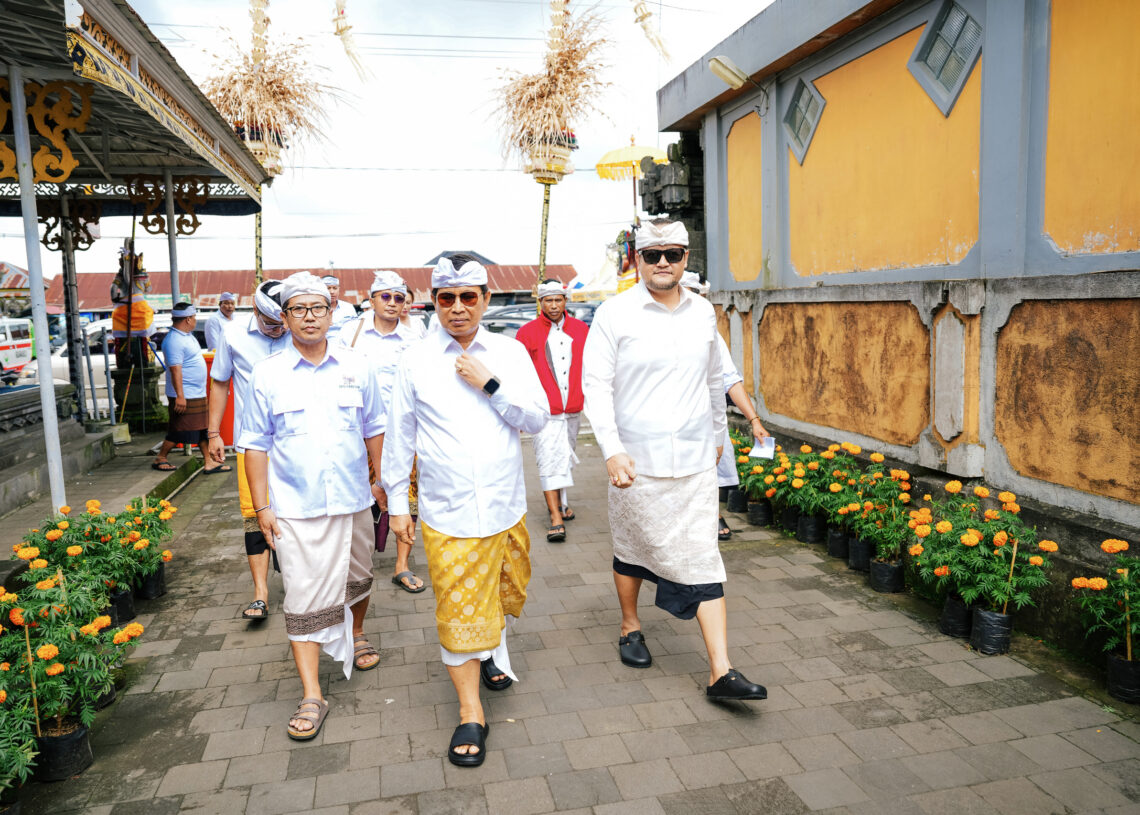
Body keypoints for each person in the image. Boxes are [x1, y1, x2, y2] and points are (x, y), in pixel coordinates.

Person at [582, 217, 767, 702]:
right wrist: (611, 450)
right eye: (652, 255)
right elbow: (595, 388)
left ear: (686, 259)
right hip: (635, 465)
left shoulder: (702, 313)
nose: (663, 263)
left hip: (694, 462)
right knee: (633, 549)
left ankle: (720, 672)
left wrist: (718, 436)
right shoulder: (614, 314)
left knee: (703, 556)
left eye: (673, 255)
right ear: (638, 260)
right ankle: (629, 625)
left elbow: (712, 380)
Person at [382, 255, 548, 767]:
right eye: (447, 298)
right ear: (433, 301)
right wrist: (397, 504)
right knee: (458, 608)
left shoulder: (509, 352)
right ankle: (470, 711)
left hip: (505, 506)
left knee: (503, 589)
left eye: (468, 297)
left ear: (486, 299)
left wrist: (490, 384)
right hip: (447, 512)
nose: (457, 308)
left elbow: (538, 418)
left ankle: (495, 653)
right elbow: (399, 436)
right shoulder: (413, 359)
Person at [240, 271, 385, 741]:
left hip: (353, 500)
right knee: (302, 598)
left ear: (331, 313)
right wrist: (261, 507)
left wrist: (379, 479)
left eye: (317, 308)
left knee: (358, 575)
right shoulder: (267, 375)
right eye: (298, 309)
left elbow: (375, 425)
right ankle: (312, 694)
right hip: (295, 509)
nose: (309, 317)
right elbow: (255, 445)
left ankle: (357, 633)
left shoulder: (357, 365)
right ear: (284, 317)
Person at [208, 281, 291, 621]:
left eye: (282, 322)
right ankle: (260, 594)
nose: (278, 330)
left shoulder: (296, 330)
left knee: (293, 515)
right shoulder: (233, 335)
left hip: (295, 442)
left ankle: (298, 582)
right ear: (255, 311)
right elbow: (220, 381)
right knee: (254, 516)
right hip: (252, 444)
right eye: (271, 324)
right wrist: (214, 433)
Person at [339, 270, 425, 593]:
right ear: (372, 298)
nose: (392, 303)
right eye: (385, 297)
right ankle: (358, 560)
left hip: (403, 430)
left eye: (399, 298)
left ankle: (402, 564)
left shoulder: (414, 338)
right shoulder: (351, 333)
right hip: (358, 430)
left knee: (408, 491)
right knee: (362, 493)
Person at [679, 272, 770, 540]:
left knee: (708, 473)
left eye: (694, 296)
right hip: (669, 423)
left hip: (705, 420)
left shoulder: (711, 337)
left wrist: (754, 421)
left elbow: (730, 380)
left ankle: (712, 514)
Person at [514, 280, 589, 542]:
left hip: (573, 407)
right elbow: (519, 374)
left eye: (558, 300)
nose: (554, 305)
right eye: (548, 300)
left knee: (564, 457)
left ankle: (563, 503)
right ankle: (555, 516)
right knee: (548, 458)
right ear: (541, 303)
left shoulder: (581, 330)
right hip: (543, 411)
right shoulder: (527, 333)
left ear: (565, 301)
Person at [153, 303, 231, 474]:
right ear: (188, 319)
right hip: (185, 394)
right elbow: (175, 370)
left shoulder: (187, 336)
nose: (195, 320)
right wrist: (180, 396)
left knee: (202, 428)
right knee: (181, 430)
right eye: (194, 317)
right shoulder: (174, 341)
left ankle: (209, 462)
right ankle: (161, 457)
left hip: (196, 392)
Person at [323, 273, 358, 339]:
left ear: (339, 289)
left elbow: (356, 329)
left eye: (335, 288)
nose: (332, 292)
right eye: (328, 288)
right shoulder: (315, 308)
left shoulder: (348, 307)